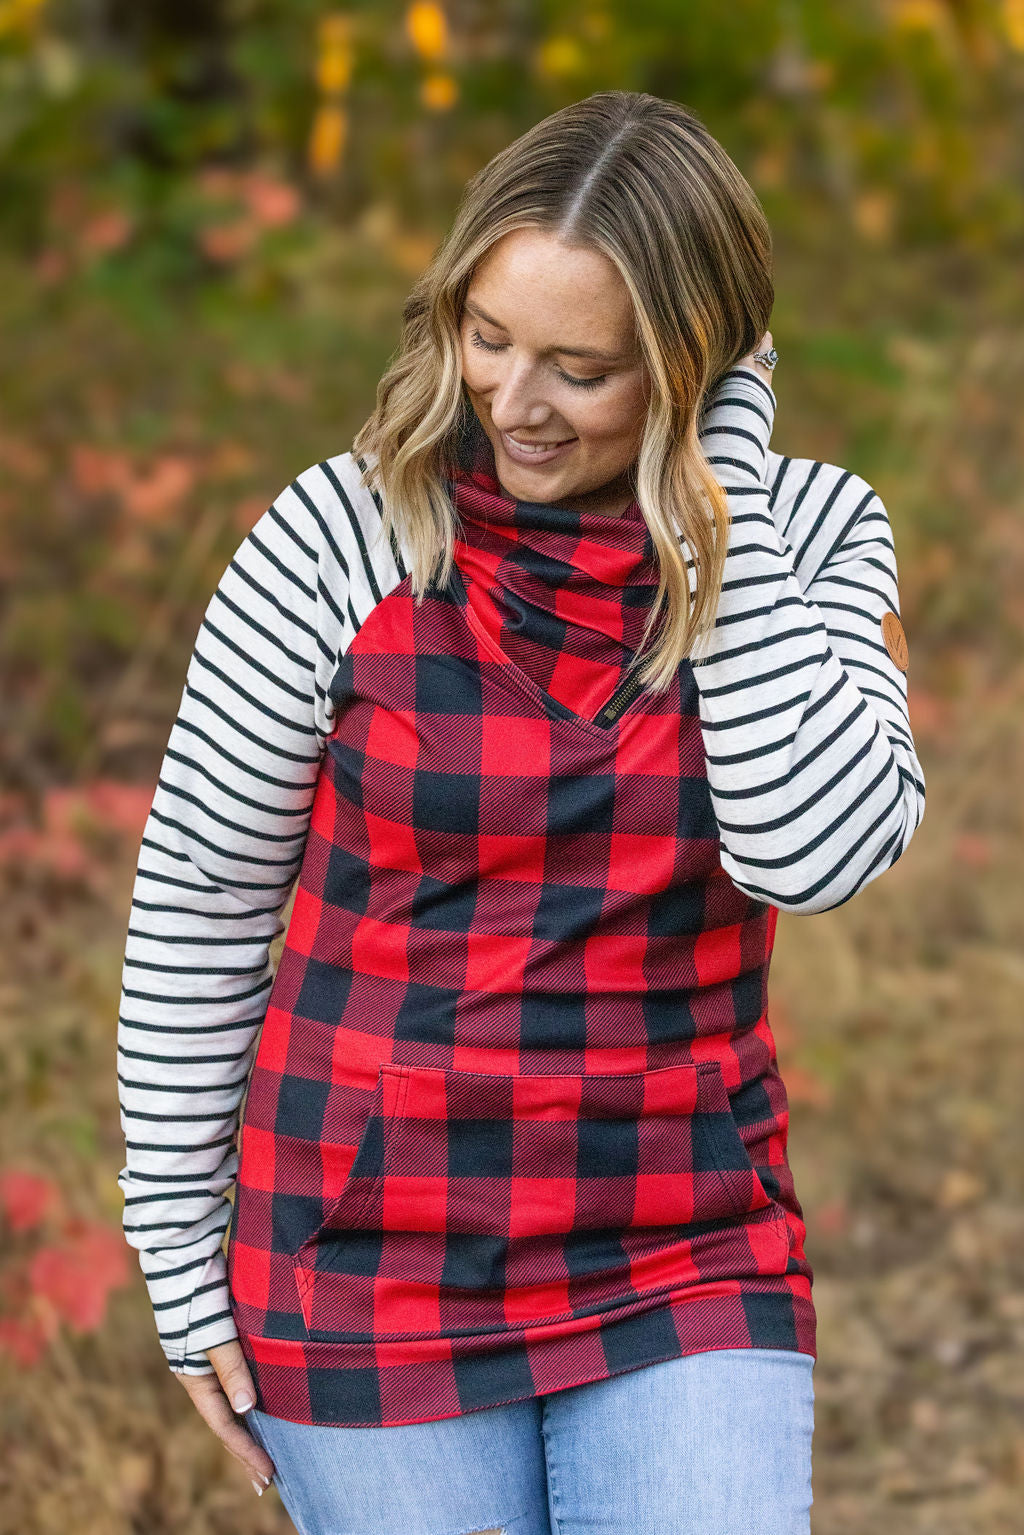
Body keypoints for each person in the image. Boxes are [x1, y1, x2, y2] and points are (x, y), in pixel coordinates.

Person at [115, 90, 925, 1534]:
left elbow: (816, 849)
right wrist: (179, 1261)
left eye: (584, 367)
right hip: (367, 1252)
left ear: (696, 364)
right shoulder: (339, 537)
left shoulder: (811, 530)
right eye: (488, 338)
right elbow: (202, 903)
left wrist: (715, 505)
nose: (514, 401)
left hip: (682, 1237)